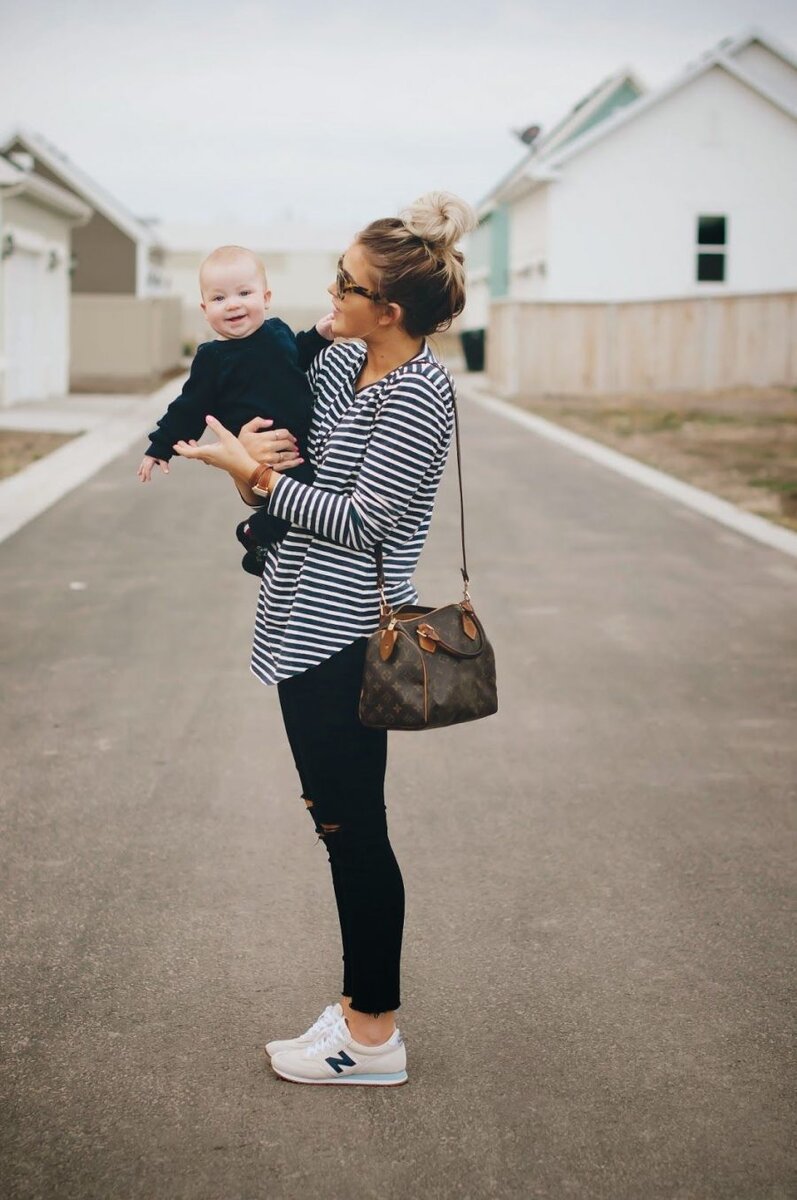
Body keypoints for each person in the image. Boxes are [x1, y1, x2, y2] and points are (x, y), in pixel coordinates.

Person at [174, 192, 477, 1086]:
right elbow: (289, 462)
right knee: (338, 823)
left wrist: (255, 483)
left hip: (345, 641)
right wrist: (251, 473)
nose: (329, 291)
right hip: (297, 623)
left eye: (345, 282)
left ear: (388, 310)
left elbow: (371, 523)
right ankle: (357, 1011)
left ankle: (371, 1035)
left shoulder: (419, 394)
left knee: (353, 830)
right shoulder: (343, 366)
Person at [137, 244, 333, 569]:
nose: (233, 305)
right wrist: (160, 446)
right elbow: (189, 406)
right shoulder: (213, 359)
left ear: (266, 298)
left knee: (302, 502)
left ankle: (260, 548)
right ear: (204, 309)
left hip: (298, 444)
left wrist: (319, 335)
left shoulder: (278, 331)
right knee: (304, 500)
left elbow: (298, 355)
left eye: (244, 293)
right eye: (219, 298)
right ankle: (255, 533)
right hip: (270, 452)